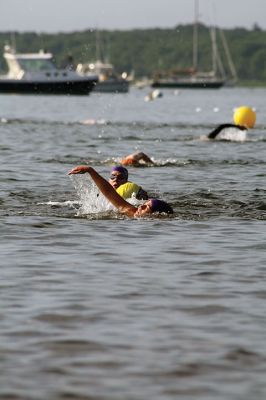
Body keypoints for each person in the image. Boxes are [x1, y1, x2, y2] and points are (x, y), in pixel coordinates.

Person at [68, 165, 173, 218]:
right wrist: (90, 170)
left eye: (146, 207)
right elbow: (109, 193)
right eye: (144, 204)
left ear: (157, 215)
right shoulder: (132, 211)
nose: (141, 206)